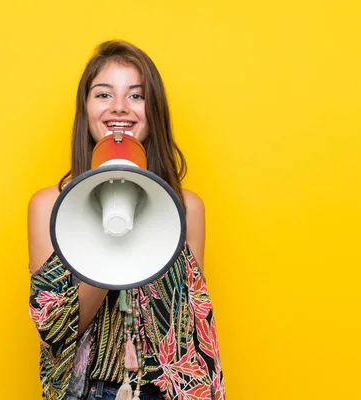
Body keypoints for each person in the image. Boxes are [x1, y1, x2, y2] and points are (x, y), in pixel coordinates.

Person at [28, 40, 225, 400]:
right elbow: (54, 330)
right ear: (85, 108)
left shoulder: (186, 209)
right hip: (89, 388)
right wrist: (110, 248)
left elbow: (189, 327)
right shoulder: (50, 206)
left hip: (168, 391)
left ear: (155, 111)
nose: (119, 107)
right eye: (103, 95)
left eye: (136, 96)